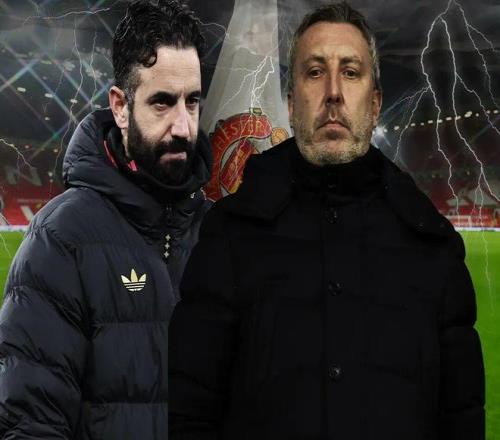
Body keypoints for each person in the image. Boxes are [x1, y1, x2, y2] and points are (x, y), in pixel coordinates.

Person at [168, 2, 485, 439]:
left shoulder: (434, 250)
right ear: (291, 103)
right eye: (315, 72)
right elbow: (187, 413)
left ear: (375, 104)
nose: (333, 92)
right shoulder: (229, 237)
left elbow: (461, 420)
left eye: (350, 72)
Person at [0, 0, 211, 438]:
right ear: (119, 106)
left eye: (192, 102)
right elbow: (29, 423)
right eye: (162, 102)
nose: (183, 127)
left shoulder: (223, 233)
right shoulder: (62, 239)